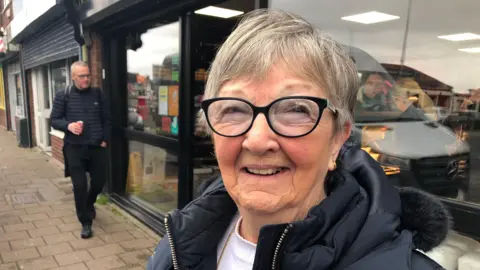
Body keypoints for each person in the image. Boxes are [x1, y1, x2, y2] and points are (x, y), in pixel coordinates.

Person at [147, 9, 449, 269]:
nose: (257, 140)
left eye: (295, 109)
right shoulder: (180, 240)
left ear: (337, 140)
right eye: (234, 109)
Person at [50, 61, 111, 239]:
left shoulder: (98, 94)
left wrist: (105, 140)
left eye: (88, 75)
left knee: (99, 182)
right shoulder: (64, 95)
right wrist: (69, 126)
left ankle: (90, 203)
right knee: (79, 186)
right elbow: (54, 120)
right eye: (82, 76)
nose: (86, 79)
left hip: (96, 146)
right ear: (73, 77)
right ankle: (85, 222)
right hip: (74, 147)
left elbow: (107, 119)